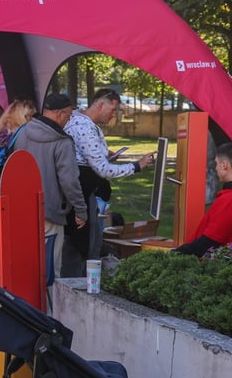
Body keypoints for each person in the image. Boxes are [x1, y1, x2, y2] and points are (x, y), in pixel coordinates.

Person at [63, 89, 154, 276]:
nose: (114, 115)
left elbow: (88, 157)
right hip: (79, 195)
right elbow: (102, 169)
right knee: (82, 245)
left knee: (86, 242)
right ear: (100, 105)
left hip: (82, 193)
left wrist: (104, 154)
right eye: (113, 110)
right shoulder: (84, 127)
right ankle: (79, 283)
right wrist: (137, 166)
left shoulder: (81, 121)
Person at [13, 94, 87, 278]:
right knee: (50, 272)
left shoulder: (22, 132)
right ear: (60, 114)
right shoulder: (62, 141)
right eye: (68, 115)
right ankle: (49, 299)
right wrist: (81, 210)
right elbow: (70, 181)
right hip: (50, 212)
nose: (68, 120)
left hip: (20, 211)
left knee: (25, 269)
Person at [172, 142, 232, 257]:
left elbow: (209, 242)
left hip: (211, 261)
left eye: (216, 164)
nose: (215, 168)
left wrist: (175, 254)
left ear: (224, 165)